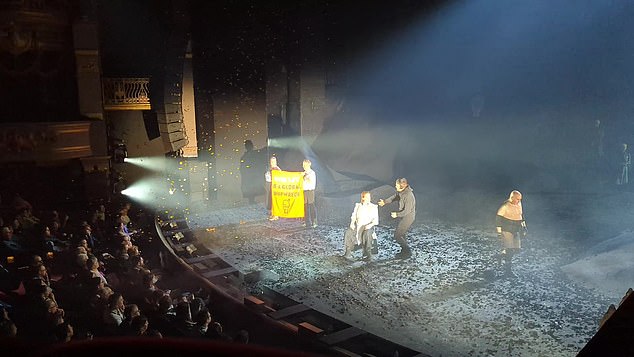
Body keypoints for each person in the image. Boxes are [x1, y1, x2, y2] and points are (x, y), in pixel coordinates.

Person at [378, 178, 415, 259]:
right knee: (402, 234)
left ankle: (407, 251)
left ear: (402, 186)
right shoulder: (401, 192)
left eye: (397, 185)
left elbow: (407, 211)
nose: (395, 186)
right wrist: (385, 202)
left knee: (397, 236)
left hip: (408, 217)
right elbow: (394, 197)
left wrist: (397, 214)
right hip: (403, 216)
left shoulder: (408, 195)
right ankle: (404, 251)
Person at [495, 190, 527, 278]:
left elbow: (521, 216)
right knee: (509, 251)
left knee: (516, 249)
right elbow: (498, 220)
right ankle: (508, 272)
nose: (519, 201)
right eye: (517, 199)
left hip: (516, 230)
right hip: (507, 230)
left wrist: (524, 227)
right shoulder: (505, 206)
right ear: (512, 198)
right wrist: (499, 233)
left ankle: (500, 256)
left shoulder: (519, 205)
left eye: (520, 199)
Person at [342, 191, 378, 262]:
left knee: (367, 233)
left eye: (369, 197)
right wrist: (352, 223)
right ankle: (348, 252)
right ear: (362, 198)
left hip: (367, 228)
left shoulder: (373, 207)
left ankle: (368, 254)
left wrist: (369, 225)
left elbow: (376, 221)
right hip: (358, 227)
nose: (368, 199)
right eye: (366, 197)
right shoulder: (358, 205)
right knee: (348, 232)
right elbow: (353, 216)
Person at [240, 140, 263, 204]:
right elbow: (242, 167)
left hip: (252, 174)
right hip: (250, 174)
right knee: (250, 187)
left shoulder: (249, 155)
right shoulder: (246, 156)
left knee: (252, 187)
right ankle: (251, 201)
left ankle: (251, 200)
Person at [265, 156, 281, 220]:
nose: (272, 162)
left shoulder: (277, 169)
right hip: (269, 184)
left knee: (274, 200)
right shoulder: (269, 168)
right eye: (271, 161)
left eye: (274, 161)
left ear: (276, 162)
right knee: (270, 199)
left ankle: (276, 215)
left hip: (274, 185)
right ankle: (272, 213)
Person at [302, 159, 317, 228]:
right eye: (303, 165)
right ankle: (306, 221)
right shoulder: (303, 173)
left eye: (305, 165)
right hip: (304, 190)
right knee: (305, 207)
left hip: (310, 191)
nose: (304, 166)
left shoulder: (312, 173)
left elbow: (310, 181)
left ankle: (314, 221)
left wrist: (305, 176)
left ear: (309, 165)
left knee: (311, 206)